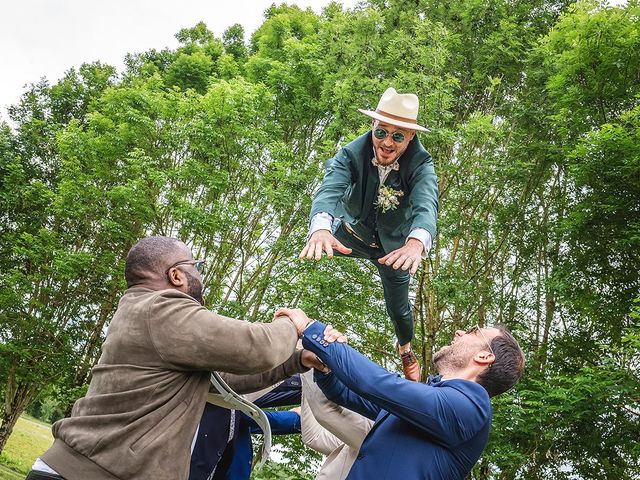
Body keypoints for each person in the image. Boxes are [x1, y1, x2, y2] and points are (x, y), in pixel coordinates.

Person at [27, 237, 323, 480]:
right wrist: (292, 323)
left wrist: (297, 361)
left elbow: (222, 383)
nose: (201, 276)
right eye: (198, 267)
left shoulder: (142, 311)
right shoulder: (162, 307)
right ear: (177, 275)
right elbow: (257, 348)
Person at [276, 307, 525, 480]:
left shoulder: (471, 407)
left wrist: (312, 330)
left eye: (473, 331)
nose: (460, 332)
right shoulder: (431, 398)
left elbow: (380, 384)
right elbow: (347, 395)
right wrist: (325, 367)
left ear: (484, 356)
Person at [300, 87, 439, 381]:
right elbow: (330, 190)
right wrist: (322, 227)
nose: (387, 143)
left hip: (394, 251)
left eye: (398, 136)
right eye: (381, 133)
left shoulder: (421, 164)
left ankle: (405, 348)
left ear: (410, 137)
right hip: (350, 237)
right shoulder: (351, 153)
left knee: (399, 308)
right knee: (305, 248)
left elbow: (426, 204)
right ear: (372, 127)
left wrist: (415, 243)